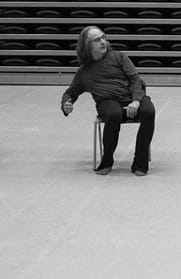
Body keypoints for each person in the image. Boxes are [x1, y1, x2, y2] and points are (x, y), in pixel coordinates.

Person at [61, 26, 155, 176]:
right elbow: (70, 92)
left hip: (131, 99)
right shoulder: (84, 72)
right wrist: (67, 103)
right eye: (97, 40)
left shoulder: (119, 56)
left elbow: (135, 79)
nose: (103, 42)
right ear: (87, 45)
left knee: (149, 111)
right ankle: (107, 161)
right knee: (113, 114)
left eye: (103, 37)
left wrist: (136, 100)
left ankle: (140, 162)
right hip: (108, 103)